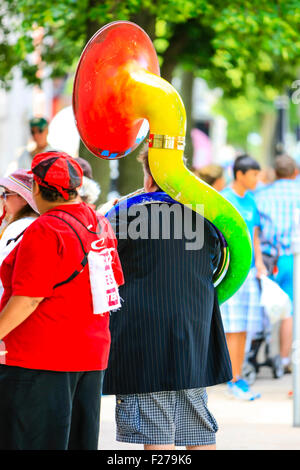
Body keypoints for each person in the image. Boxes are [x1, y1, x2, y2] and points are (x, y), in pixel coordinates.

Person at [103, 146, 232, 450]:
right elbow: (216, 262)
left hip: (143, 328)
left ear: (148, 177)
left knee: (154, 426)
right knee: (197, 423)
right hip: (193, 325)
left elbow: (104, 260)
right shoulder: (206, 213)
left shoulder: (124, 213)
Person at [0, 151, 124, 450]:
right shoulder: (100, 224)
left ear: (38, 188)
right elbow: (114, 283)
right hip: (90, 356)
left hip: (40, 357)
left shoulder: (46, 228)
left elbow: (29, 298)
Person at [220, 154, 267, 400]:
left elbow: (255, 235)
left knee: (244, 328)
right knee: (232, 327)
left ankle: (238, 377)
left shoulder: (251, 201)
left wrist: (259, 263)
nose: (257, 179)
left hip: (249, 274)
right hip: (232, 273)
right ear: (240, 174)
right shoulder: (225, 200)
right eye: (254, 174)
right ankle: (233, 378)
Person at [255, 154, 300, 374]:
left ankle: (257, 355)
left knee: (265, 305)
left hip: (265, 257)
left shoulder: (262, 194)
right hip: (292, 258)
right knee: (288, 309)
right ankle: (283, 360)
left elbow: (256, 227)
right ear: (295, 172)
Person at [0, 170, 39, 298]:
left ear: (23, 199)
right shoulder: (33, 224)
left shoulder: (19, 226)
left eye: (6, 193)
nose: (2, 198)